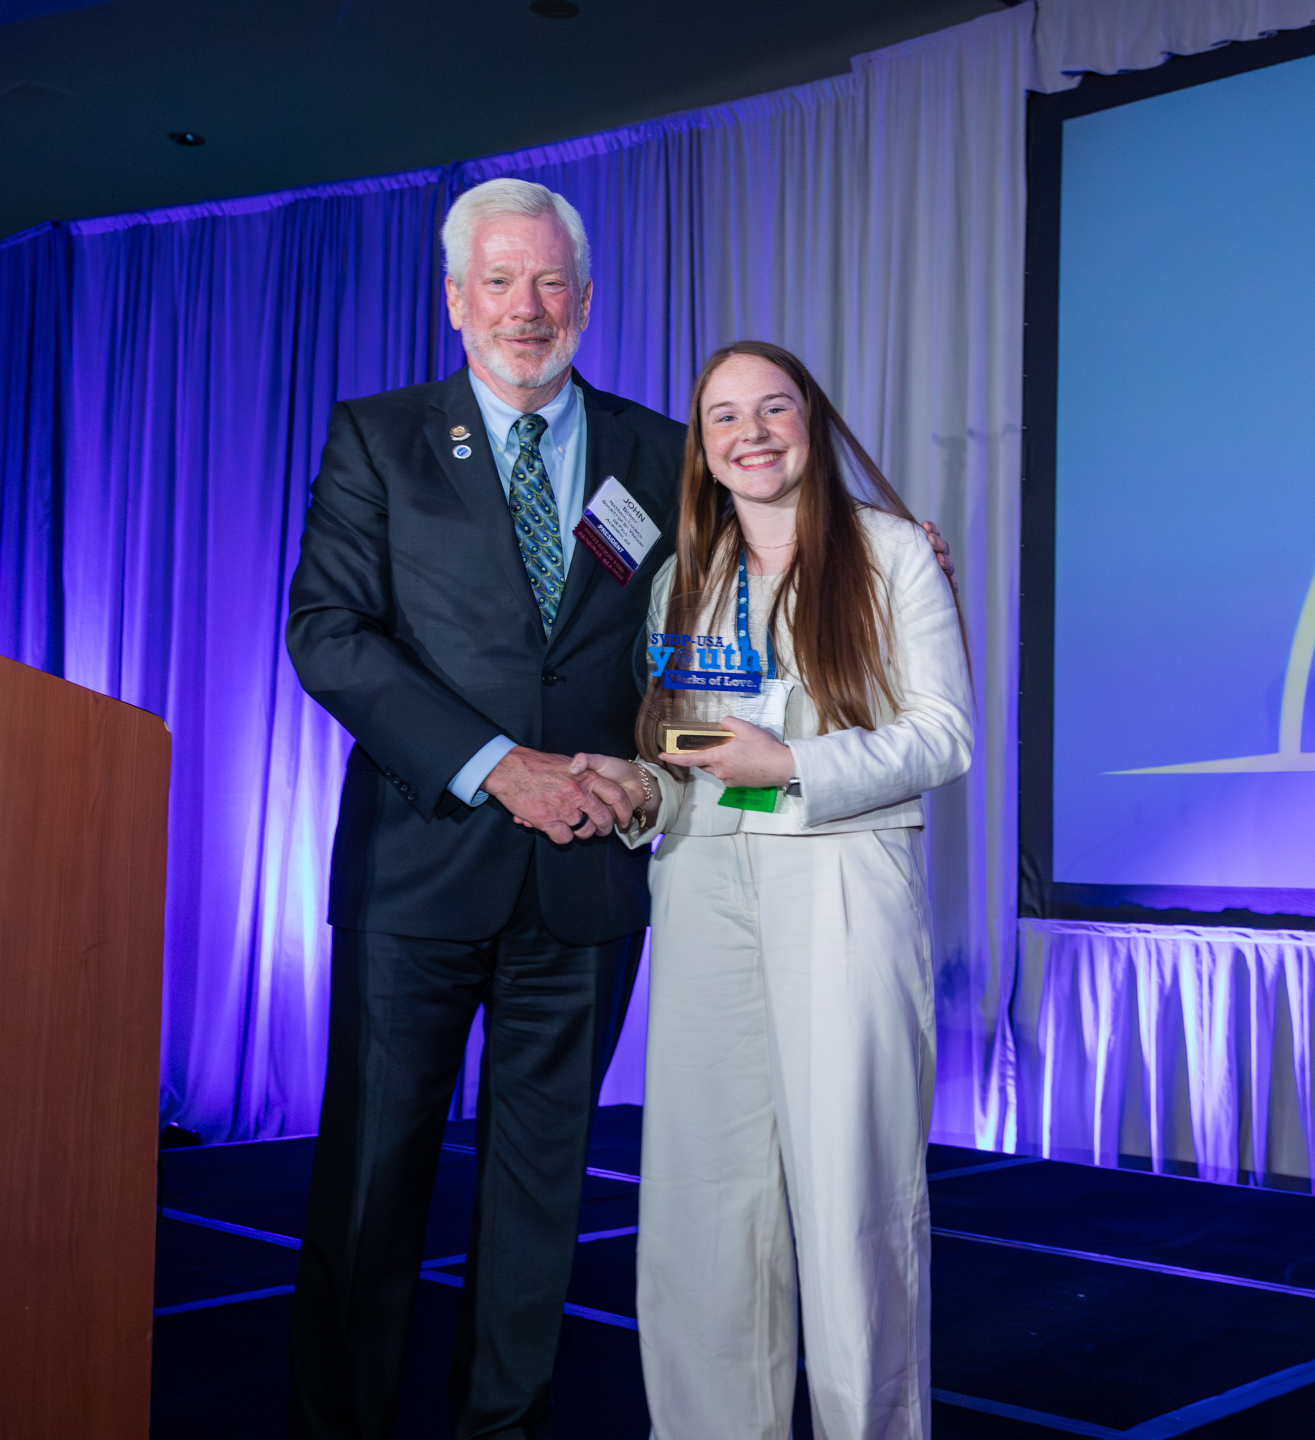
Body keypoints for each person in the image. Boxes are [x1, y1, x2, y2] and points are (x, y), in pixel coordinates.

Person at [285, 177, 685, 1439]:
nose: (527, 307)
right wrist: (496, 764)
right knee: (372, 1186)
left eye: (550, 281)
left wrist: (886, 556)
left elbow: (737, 605)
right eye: (500, 282)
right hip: (418, 870)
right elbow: (327, 634)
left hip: (586, 880)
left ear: (586, 300)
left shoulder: (662, 454)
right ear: (456, 299)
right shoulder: (379, 438)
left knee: (539, 1197)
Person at [574, 341, 974, 1438]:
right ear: (702, 449)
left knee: (851, 1196)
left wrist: (793, 763)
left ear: (813, 421)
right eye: (723, 417)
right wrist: (643, 788)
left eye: (773, 408)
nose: (749, 433)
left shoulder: (891, 551)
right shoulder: (683, 577)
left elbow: (945, 735)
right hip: (702, 878)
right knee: (702, 1198)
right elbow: (691, 751)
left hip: (839, 873)